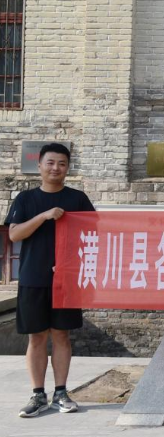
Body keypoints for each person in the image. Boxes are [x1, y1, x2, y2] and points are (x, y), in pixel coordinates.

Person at [7, 143, 95, 418]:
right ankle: (37, 395)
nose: (56, 168)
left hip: (66, 279)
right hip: (33, 277)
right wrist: (44, 216)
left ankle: (61, 393)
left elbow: (94, 234)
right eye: (51, 163)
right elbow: (14, 234)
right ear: (40, 166)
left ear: (68, 168)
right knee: (36, 337)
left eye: (62, 163)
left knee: (61, 335)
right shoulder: (25, 199)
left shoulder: (78, 199)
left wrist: (72, 263)